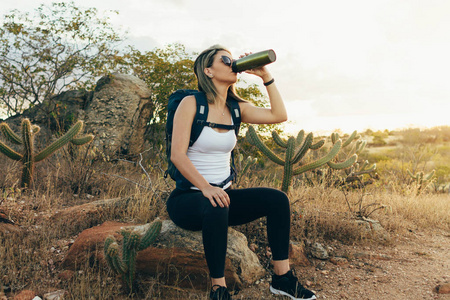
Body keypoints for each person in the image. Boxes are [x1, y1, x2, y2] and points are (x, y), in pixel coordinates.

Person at [166, 45, 316, 300]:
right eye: (225, 59)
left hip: (222, 198)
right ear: (208, 71)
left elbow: (279, 115)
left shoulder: (236, 107)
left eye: (232, 58)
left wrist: (265, 75)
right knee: (215, 204)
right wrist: (206, 187)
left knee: (277, 200)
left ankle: (282, 279)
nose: (232, 62)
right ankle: (219, 289)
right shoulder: (191, 103)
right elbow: (177, 155)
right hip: (188, 200)